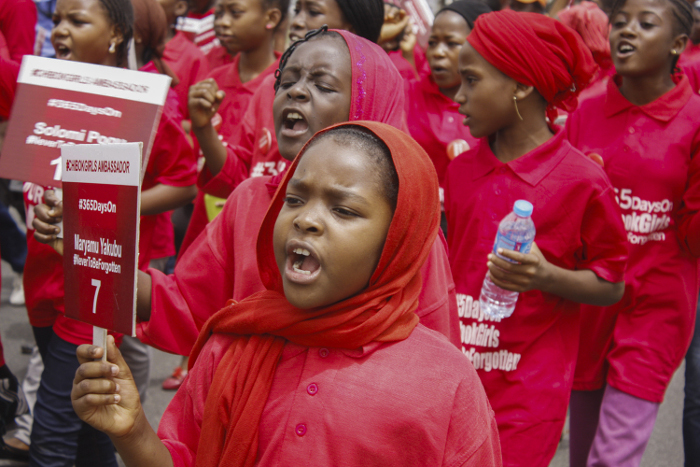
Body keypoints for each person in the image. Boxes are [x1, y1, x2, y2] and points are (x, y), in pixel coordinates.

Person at [70, 120, 502, 467]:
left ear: (398, 237)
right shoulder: (233, 341)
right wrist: (133, 432)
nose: (305, 220)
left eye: (343, 209)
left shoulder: (444, 382)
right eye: (293, 199)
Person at [445, 10, 628, 467]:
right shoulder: (460, 171)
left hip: (528, 395)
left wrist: (547, 277)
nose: (458, 95)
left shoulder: (582, 181)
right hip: (454, 378)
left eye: (472, 80)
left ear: (522, 85)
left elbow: (611, 285)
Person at [24, 0, 196, 464]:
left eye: (77, 21)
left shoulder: (139, 107)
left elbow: (184, 181)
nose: (60, 31)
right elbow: (37, 181)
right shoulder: (46, 95)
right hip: (42, 280)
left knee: (51, 436)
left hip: (93, 289)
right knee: (92, 430)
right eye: (57, 20)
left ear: (117, 35)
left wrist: (106, 207)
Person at [564, 0, 700, 464]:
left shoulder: (695, 121)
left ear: (678, 44)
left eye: (645, 24)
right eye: (619, 22)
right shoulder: (585, 111)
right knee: (583, 453)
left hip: (656, 309)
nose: (627, 31)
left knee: (612, 456)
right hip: (588, 302)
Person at [405, 0, 488, 235]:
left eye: (451, 43)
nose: (438, 52)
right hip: (413, 220)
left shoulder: (490, 107)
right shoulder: (406, 93)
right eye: (432, 42)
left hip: (469, 224)